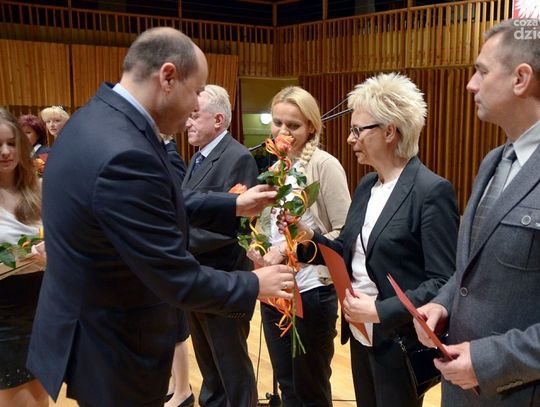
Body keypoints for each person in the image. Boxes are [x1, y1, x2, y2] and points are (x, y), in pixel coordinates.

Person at [26, 27, 294, 407]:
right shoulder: (125, 150)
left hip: (89, 328)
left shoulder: (93, 120)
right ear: (167, 77)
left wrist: (231, 205)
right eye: (196, 90)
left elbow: (156, 199)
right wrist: (253, 284)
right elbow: (174, 277)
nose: (195, 105)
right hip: (116, 344)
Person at [287, 73, 459, 407]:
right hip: (361, 332)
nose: (350, 138)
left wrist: (380, 311)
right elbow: (345, 251)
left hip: (399, 341)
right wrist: (308, 239)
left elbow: (443, 280)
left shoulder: (431, 191)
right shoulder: (367, 185)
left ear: (390, 132)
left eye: (357, 130)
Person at [414, 19, 540, 407]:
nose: (471, 84)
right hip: (461, 390)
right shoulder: (494, 161)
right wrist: (443, 302)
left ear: (520, 78)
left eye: (482, 71)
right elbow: (472, 269)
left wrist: (488, 361)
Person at [253, 86, 351, 406]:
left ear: (311, 127)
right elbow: (269, 229)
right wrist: (256, 246)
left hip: (312, 292)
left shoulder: (324, 165)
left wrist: (289, 249)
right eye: (278, 122)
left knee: (311, 390)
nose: (284, 131)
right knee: (288, 386)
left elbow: (344, 234)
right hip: (276, 292)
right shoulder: (274, 169)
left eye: (293, 125)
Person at [183, 84, 260, 407]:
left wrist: (178, 243)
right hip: (199, 277)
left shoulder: (237, 157)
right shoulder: (198, 157)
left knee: (232, 370)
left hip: (225, 278)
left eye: (194, 115)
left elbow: (236, 227)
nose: (187, 122)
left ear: (217, 120)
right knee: (210, 370)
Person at [0, 108, 48, 406]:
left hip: (42, 307)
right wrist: (22, 254)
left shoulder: (38, 189)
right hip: (4, 314)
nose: (6, 152)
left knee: (40, 399)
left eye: (11, 143)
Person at [160, 132, 193, 407]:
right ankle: (174, 383)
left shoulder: (170, 154)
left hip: (173, 251)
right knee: (167, 327)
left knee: (176, 329)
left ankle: (183, 390)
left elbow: (180, 200)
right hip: (163, 255)